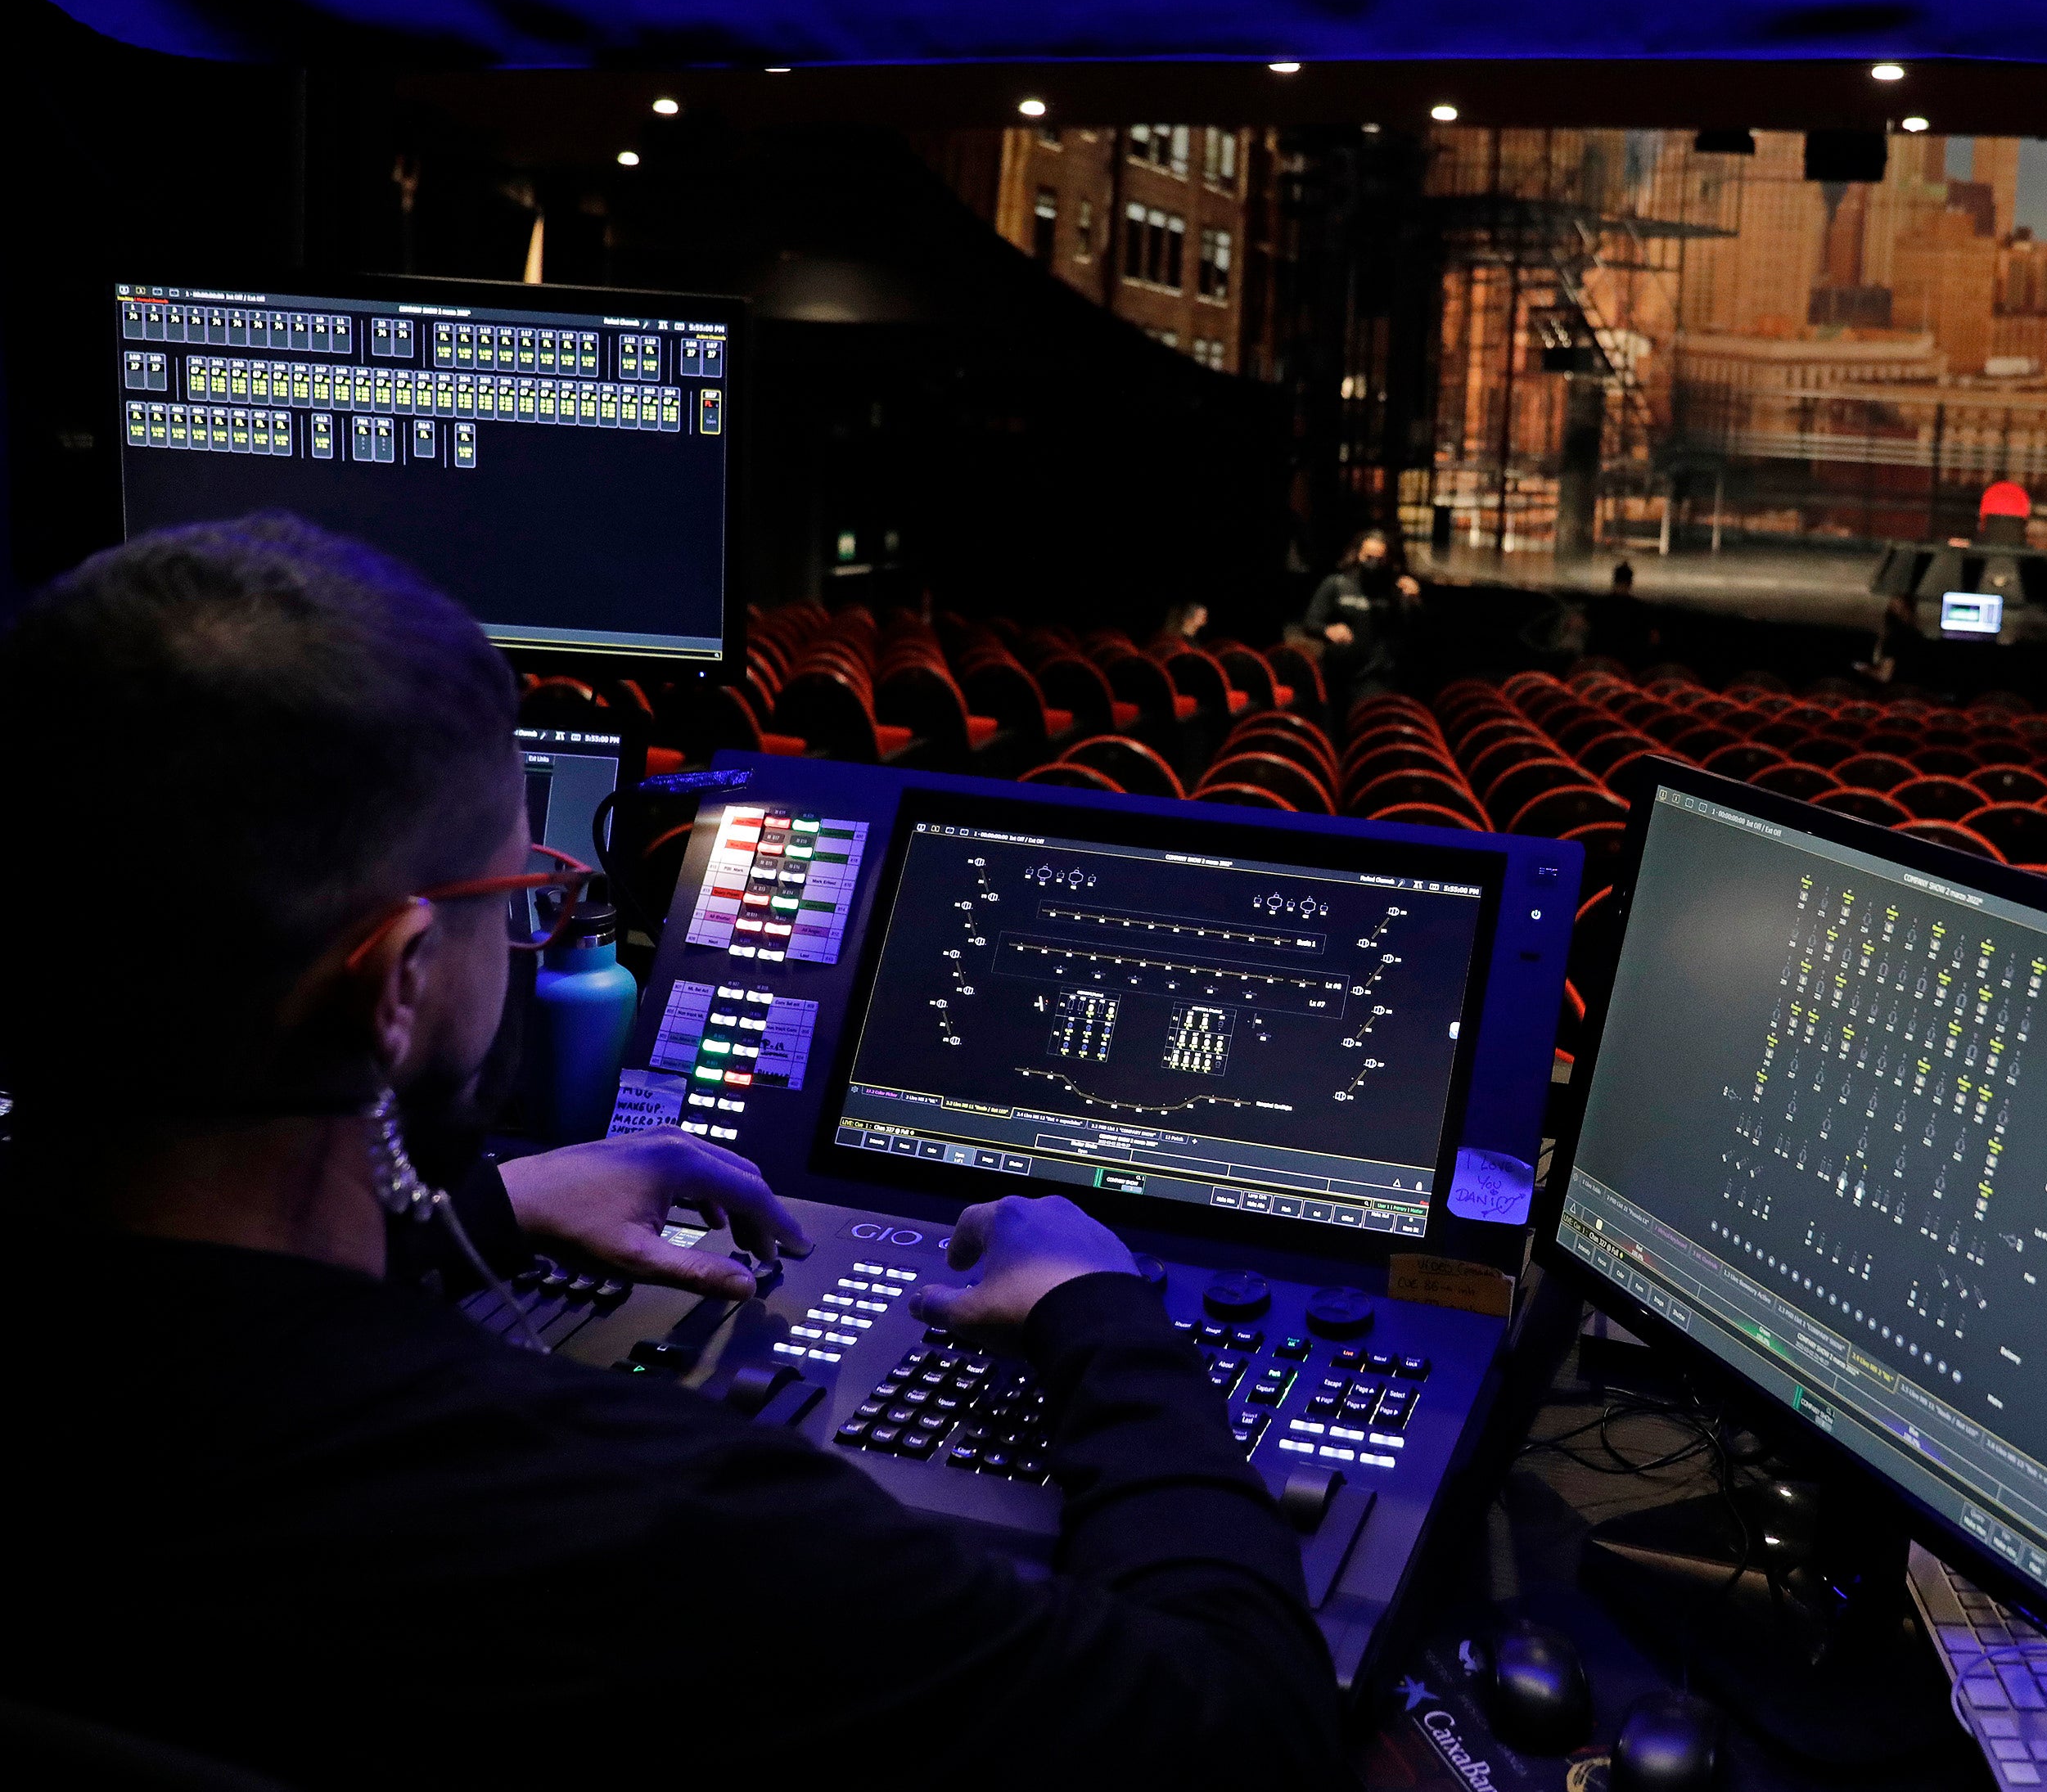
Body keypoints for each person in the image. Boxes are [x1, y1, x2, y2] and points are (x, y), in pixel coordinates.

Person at [0, 517, 1341, 1790]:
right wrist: (1098, 1317)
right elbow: (1238, 1731)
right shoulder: (638, 1526)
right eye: (509, 899)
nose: (525, 937)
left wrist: (481, 1208)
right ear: (396, 982)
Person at [1301, 526, 1421, 709]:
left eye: (1379, 559)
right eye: (1368, 557)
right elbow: (1310, 623)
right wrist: (1328, 630)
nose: (1372, 563)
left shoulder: (1395, 590)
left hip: (1374, 676)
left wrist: (1413, 599)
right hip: (1337, 674)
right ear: (1358, 554)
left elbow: (1414, 628)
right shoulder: (1336, 584)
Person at [1583, 559, 1659, 669]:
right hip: (1630, 665)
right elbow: (1654, 639)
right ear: (1630, 583)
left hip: (1600, 664)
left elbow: (1582, 627)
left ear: (1614, 580)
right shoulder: (1641, 609)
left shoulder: (1598, 605)